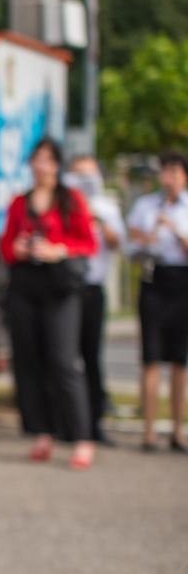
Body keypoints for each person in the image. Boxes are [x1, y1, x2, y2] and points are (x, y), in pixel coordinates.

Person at [0, 139, 98, 469]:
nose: (41, 166)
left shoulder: (71, 199)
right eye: (37, 159)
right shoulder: (19, 202)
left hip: (60, 286)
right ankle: (42, 432)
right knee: (29, 361)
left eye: (47, 159)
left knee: (63, 361)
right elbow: (6, 247)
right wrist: (19, 248)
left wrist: (58, 249)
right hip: (25, 284)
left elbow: (88, 243)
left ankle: (82, 437)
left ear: (57, 164)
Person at [126, 150, 188, 451]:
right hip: (153, 279)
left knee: (179, 359)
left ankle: (177, 430)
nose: (168, 178)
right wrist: (149, 237)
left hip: (182, 281)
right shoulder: (145, 205)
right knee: (150, 357)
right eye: (165, 171)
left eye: (174, 172)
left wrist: (175, 230)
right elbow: (131, 243)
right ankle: (149, 432)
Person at [68, 156, 126, 445]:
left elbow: (119, 244)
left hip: (92, 289)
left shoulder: (106, 207)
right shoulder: (63, 204)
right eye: (78, 174)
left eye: (88, 174)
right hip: (65, 288)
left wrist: (98, 220)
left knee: (91, 356)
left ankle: (94, 422)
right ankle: (65, 423)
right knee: (64, 358)